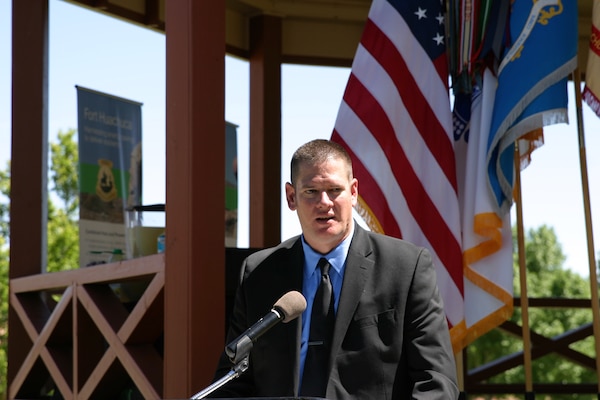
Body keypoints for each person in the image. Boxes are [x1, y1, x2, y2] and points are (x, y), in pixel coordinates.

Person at [210, 139, 459, 399]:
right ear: (291, 196)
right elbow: (231, 382)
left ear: (353, 192)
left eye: (334, 189)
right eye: (311, 191)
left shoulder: (407, 267)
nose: (324, 202)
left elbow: (436, 381)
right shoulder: (258, 273)